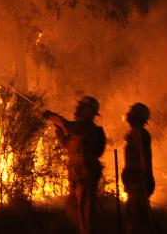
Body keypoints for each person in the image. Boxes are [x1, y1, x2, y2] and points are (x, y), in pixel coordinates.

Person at [44, 96, 106, 234]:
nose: (77, 109)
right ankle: (84, 230)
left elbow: (68, 125)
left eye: (81, 107)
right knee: (72, 206)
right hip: (76, 173)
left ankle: (88, 231)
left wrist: (52, 117)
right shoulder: (78, 128)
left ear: (90, 111)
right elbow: (68, 144)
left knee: (86, 211)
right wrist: (59, 132)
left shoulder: (88, 128)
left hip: (86, 173)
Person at [121, 102, 155, 233]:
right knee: (132, 213)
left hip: (138, 178)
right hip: (132, 178)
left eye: (132, 112)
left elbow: (144, 157)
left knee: (137, 215)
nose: (129, 114)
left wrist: (145, 178)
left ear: (138, 117)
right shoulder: (132, 133)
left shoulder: (141, 134)